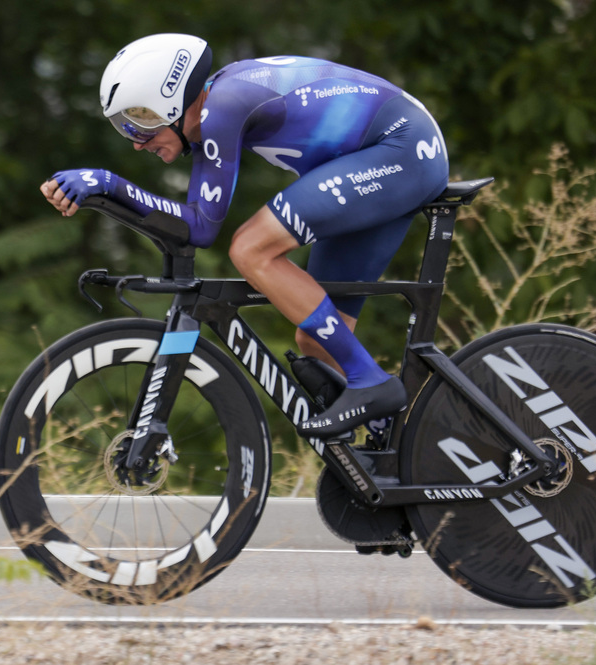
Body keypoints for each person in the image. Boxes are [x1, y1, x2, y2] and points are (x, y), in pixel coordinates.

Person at [39, 33, 449, 437]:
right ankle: (396, 445)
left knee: (251, 249)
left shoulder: (225, 106)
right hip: (385, 157)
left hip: (403, 148)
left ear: (174, 102)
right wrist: (108, 192)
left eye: (139, 122)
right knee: (317, 341)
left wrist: (110, 183)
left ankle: (370, 383)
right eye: (125, 127)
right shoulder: (212, 111)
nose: (135, 141)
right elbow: (193, 223)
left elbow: (201, 229)